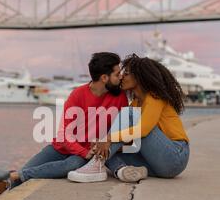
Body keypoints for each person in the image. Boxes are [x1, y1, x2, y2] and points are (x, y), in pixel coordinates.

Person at [0, 52, 129, 196]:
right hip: (62, 147)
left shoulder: (120, 97)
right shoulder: (78, 95)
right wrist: (83, 151)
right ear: (104, 78)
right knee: (27, 171)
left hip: (85, 153)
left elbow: (123, 130)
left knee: (72, 165)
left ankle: (11, 177)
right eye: (117, 74)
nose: (121, 77)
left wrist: (91, 150)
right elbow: (65, 134)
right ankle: (6, 185)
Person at [68, 53, 189, 183]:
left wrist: (108, 138)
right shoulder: (136, 103)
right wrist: (102, 144)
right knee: (110, 151)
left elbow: (143, 130)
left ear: (139, 77)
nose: (121, 77)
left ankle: (96, 164)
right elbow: (133, 141)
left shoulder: (155, 97)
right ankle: (123, 170)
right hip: (157, 165)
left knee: (129, 114)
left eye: (126, 74)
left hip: (175, 156)